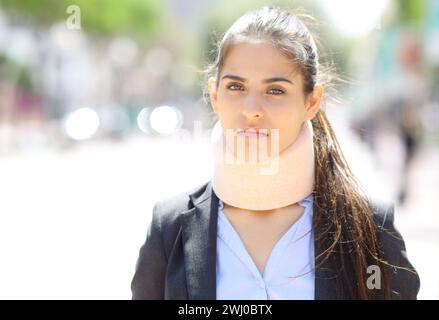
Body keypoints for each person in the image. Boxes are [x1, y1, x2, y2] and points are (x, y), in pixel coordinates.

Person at [131, 6, 420, 300]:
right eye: (235, 86)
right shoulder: (170, 228)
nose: (252, 109)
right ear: (215, 96)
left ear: (312, 102)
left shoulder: (370, 231)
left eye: (276, 91)